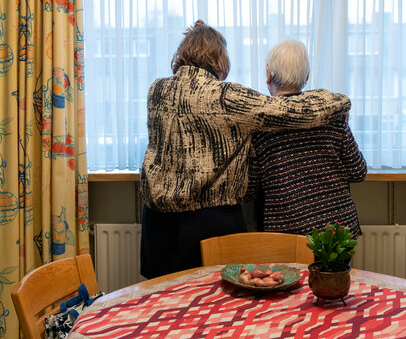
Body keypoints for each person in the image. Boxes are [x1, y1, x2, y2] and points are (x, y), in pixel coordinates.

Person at [140, 21, 351, 279]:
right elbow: (288, 109)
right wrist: (340, 102)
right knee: (216, 306)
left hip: (158, 222)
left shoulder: (156, 90)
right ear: (219, 59)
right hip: (209, 220)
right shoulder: (226, 97)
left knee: (165, 301)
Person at [246, 40, 367, 238]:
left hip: (286, 233)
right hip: (335, 233)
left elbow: (250, 188)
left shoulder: (260, 126)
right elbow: (358, 171)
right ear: (307, 76)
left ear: (268, 74)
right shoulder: (332, 114)